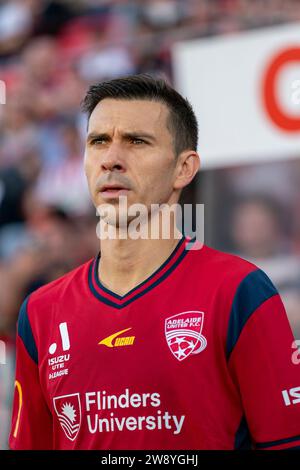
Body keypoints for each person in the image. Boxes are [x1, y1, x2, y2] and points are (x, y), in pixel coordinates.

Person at [9, 74, 300, 450]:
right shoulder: (39, 312)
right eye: (98, 141)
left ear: (184, 168)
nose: (111, 159)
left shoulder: (239, 291)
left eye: (137, 141)